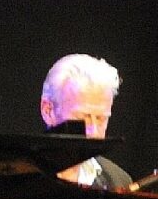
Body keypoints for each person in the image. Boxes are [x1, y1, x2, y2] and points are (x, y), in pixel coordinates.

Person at [39, 52, 133, 189]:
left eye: (101, 119)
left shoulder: (119, 181)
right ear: (48, 111)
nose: (94, 133)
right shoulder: (18, 176)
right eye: (82, 118)